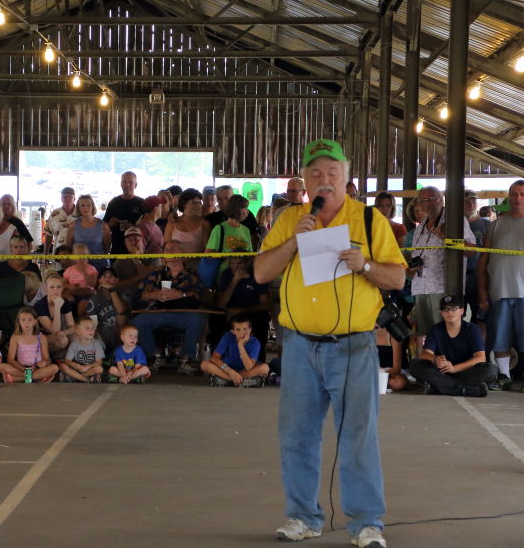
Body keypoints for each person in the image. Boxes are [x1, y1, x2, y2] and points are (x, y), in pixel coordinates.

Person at [255, 139, 405, 547]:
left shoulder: (371, 221)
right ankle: (303, 517)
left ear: (345, 177)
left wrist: (367, 264)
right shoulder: (290, 219)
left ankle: (367, 522)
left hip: (354, 346)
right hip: (300, 346)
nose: (324, 181)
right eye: (315, 174)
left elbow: (397, 278)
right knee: (297, 435)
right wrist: (293, 242)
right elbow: (261, 272)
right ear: (305, 180)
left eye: (331, 173)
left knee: (358, 435)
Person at [478, 179, 524, 393]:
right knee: (499, 335)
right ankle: (503, 375)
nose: (517, 198)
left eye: (521, 194)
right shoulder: (496, 224)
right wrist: (483, 290)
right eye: (513, 194)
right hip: (499, 290)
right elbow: (484, 259)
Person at [409, 186, 475, 352]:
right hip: (421, 287)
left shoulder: (456, 221)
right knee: (425, 334)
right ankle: (429, 369)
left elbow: (472, 250)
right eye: (423, 200)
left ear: (441, 199)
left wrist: (449, 238)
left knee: (446, 332)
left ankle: (447, 369)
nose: (428, 203)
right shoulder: (419, 228)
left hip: (444, 288)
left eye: (432, 198)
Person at [132, 240, 206, 376]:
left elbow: (199, 296)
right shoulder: (157, 272)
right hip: (158, 313)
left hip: (183, 314)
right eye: (167, 250)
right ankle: (155, 357)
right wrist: (154, 294)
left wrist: (181, 294)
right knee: (138, 322)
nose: (171, 252)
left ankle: (186, 360)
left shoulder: (191, 274)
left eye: (175, 249)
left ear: (182, 253)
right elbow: (139, 294)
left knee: (196, 320)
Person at [409, 294, 498, 396]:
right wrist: (435, 359)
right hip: (441, 372)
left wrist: (454, 368)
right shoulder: (435, 330)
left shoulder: (472, 329)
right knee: (415, 364)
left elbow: (480, 358)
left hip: (464, 372)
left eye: (454, 309)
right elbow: (425, 354)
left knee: (491, 370)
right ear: (441, 313)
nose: (450, 312)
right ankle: (465, 390)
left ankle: (438, 388)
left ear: (462, 311)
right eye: (446, 309)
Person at [200, 313, 268, 387]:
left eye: (245, 329)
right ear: (233, 331)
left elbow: (249, 367)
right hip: (227, 369)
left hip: (245, 371)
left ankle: (227, 380)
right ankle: (239, 380)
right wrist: (231, 372)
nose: (242, 333)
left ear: (250, 330)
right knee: (204, 364)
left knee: (265, 368)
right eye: (238, 329)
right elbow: (214, 358)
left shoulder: (255, 342)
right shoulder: (227, 336)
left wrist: (240, 345)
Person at [0, 307, 58, 383]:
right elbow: (10, 360)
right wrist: (24, 369)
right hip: (20, 367)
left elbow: (47, 359)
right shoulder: (15, 337)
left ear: (35, 321)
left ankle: (16, 378)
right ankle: (37, 377)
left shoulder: (41, 337)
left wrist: (44, 363)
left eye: (30, 320)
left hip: (36, 368)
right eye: (23, 320)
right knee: (0, 366)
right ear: (19, 321)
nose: (26, 323)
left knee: (55, 368)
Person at [205, 193, 253, 281]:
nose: (247, 211)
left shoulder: (246, 230)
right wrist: (229, 256)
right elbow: (208, 253)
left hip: (243, 274)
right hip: (225, 274)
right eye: (245, 208)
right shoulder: (220, 229)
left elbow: (249, 253)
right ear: (237, 209)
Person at [462, 190, 488, 337]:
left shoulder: (487, 225)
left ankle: (480, 353)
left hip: (480, 277)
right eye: (467, 201)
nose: (471, 204)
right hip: (458, 277)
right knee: (456, 315)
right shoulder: (454, 226)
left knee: (480, 317)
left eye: (473, 201)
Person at [85, 266, 129, 350]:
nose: (107, 279)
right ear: (99, 281)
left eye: (111, 276)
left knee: (121, 318)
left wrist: (111, 289)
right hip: (103, 334)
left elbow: (120, 310)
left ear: (117, 280)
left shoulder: (124, 294)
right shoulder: (94, 299)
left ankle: (119, 352)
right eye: (104, 276)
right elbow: (93, 324)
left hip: (123, 334)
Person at [103, 171, 144, 254]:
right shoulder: (113, 203)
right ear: (121, 184)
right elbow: (104, 226)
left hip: (136, 249)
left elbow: (148, 227)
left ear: (135, 185)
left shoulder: (142, 203)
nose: (127, 185)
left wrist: (132, 227)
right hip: (117, 247)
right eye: (124, 182)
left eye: (130, 182)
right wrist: (110, 224)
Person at [163, 188, 212, 257]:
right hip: (176, 264)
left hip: (197, 264)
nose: (198, 206)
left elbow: (207, 250)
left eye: (199, 203)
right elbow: (165, 248)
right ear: (184, 204)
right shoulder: (172, 224)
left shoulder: (204, 224)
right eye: (193, 203)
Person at [34, 273, 76, 354]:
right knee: (61, 340)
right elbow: (54, 331)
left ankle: (69, 358)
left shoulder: (65, 302)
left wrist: (64, 332)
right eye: (52, 287)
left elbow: (72, 327)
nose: (55, 290)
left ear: (62, 288)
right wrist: (57, 307)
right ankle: (55, 359)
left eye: (58, 287)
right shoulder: (39, 306)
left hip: (60, 334)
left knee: (80, 335)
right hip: (41, 338)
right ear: (46, 289)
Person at [65, 194, 110, 268]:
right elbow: (69, 247)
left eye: (88, 205)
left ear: (92, 207)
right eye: (82, 205)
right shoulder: (72, 225)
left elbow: (107, 247)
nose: (85, 208)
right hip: (79, 266)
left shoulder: (103, 225)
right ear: (78, 208)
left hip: (99, 265)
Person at [59, 317, 105, 383]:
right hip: (77, 368)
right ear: (78, 331)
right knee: (62, 366)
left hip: (89, 369)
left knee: (99, 369)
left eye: (93, 328)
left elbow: (99, 362)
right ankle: (86, 379)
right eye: (87, 328)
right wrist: (74, 365)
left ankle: (74, 377)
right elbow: (67, 361)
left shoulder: (96, 344)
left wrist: (87, 367)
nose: (91, 330)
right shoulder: (74, 344)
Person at [45, 187, 76, 254]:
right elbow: (48, 235)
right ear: (61, 199)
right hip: (58, 255)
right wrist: (45, 254)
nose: (67, 199)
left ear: (74, 199)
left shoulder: (80, 213)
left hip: (76, 255)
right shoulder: (54, 214)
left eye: (70, 197)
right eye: (64, 197)